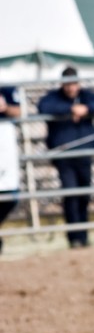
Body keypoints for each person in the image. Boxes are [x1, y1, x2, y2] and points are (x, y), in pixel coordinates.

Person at [36, 67, 94, 248]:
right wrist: (71, 109)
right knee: (71, 194)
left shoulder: (86, 96)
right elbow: (44, 106)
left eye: (74, 84)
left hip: (84, 154)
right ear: (63, 84)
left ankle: (83, 236)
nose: (72, 88)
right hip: (64, 155)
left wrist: (85, 109)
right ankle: (74, 238)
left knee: (84, 195)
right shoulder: (54, 97)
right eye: (68, 84)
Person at [0, 85, 21, 254]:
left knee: (9, 198)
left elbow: (20, 111)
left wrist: (5, 107)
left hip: (5, 147)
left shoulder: (6, 89)